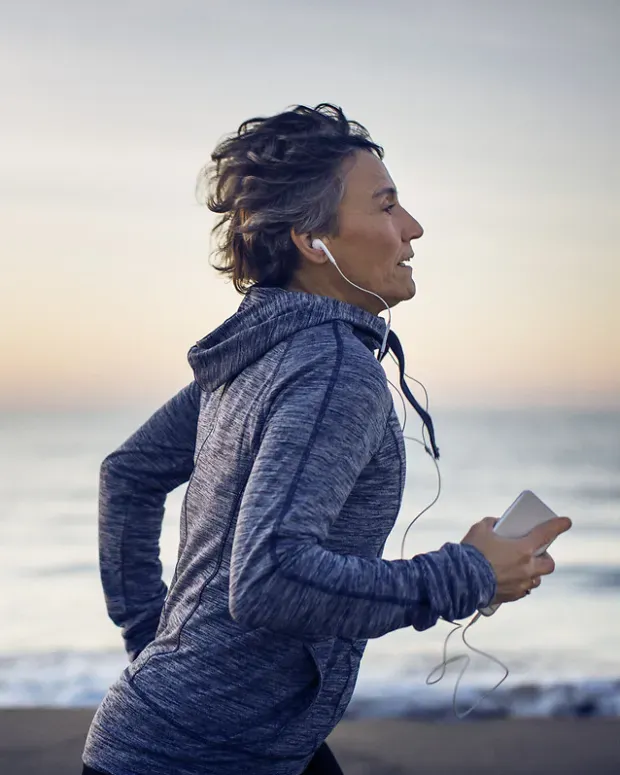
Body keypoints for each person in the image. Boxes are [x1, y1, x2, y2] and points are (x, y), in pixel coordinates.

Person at [81, 103, 571, 775]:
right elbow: (270, 577)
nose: (413, 228)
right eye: (387, 205)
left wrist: (159, 647)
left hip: (221, 737)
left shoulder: (261, 355)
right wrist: (470, 573)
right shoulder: (335, 370)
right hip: (201, 757)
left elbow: (127, 473)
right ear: (315, 241)